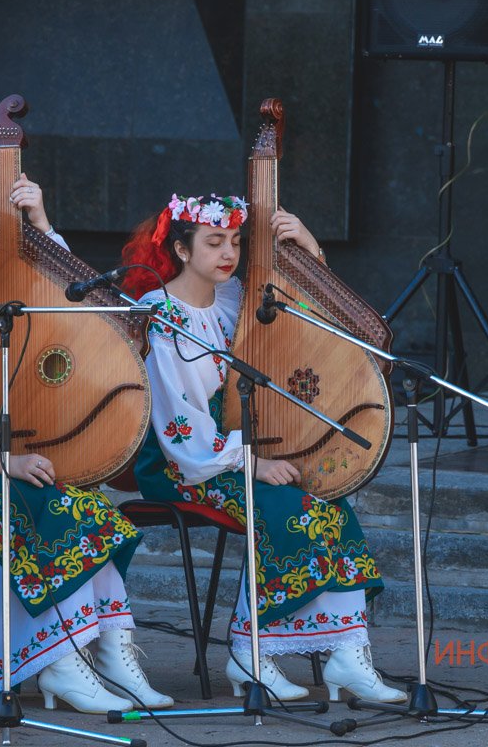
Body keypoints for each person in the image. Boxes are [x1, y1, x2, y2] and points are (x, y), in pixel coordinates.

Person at [0, 175, 172, 713]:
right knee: (62, 510)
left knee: (91, 508)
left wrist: (40, 223)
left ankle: (109, 655)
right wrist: (6, 460)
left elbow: (70, 293)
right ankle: (61, 663)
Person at [119, 193, 407, 704]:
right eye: (213, 242)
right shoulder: (159, 315)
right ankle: (253, 653)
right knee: (289, 507)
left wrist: (309, 250)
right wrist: (250, 460)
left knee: (330, 498)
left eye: (234, 241)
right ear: (182, 250)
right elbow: (180, 426)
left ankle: (348, 652)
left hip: (242, 450)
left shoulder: (237, 299)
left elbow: (316, 326)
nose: (228, 252)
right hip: (183, 464)